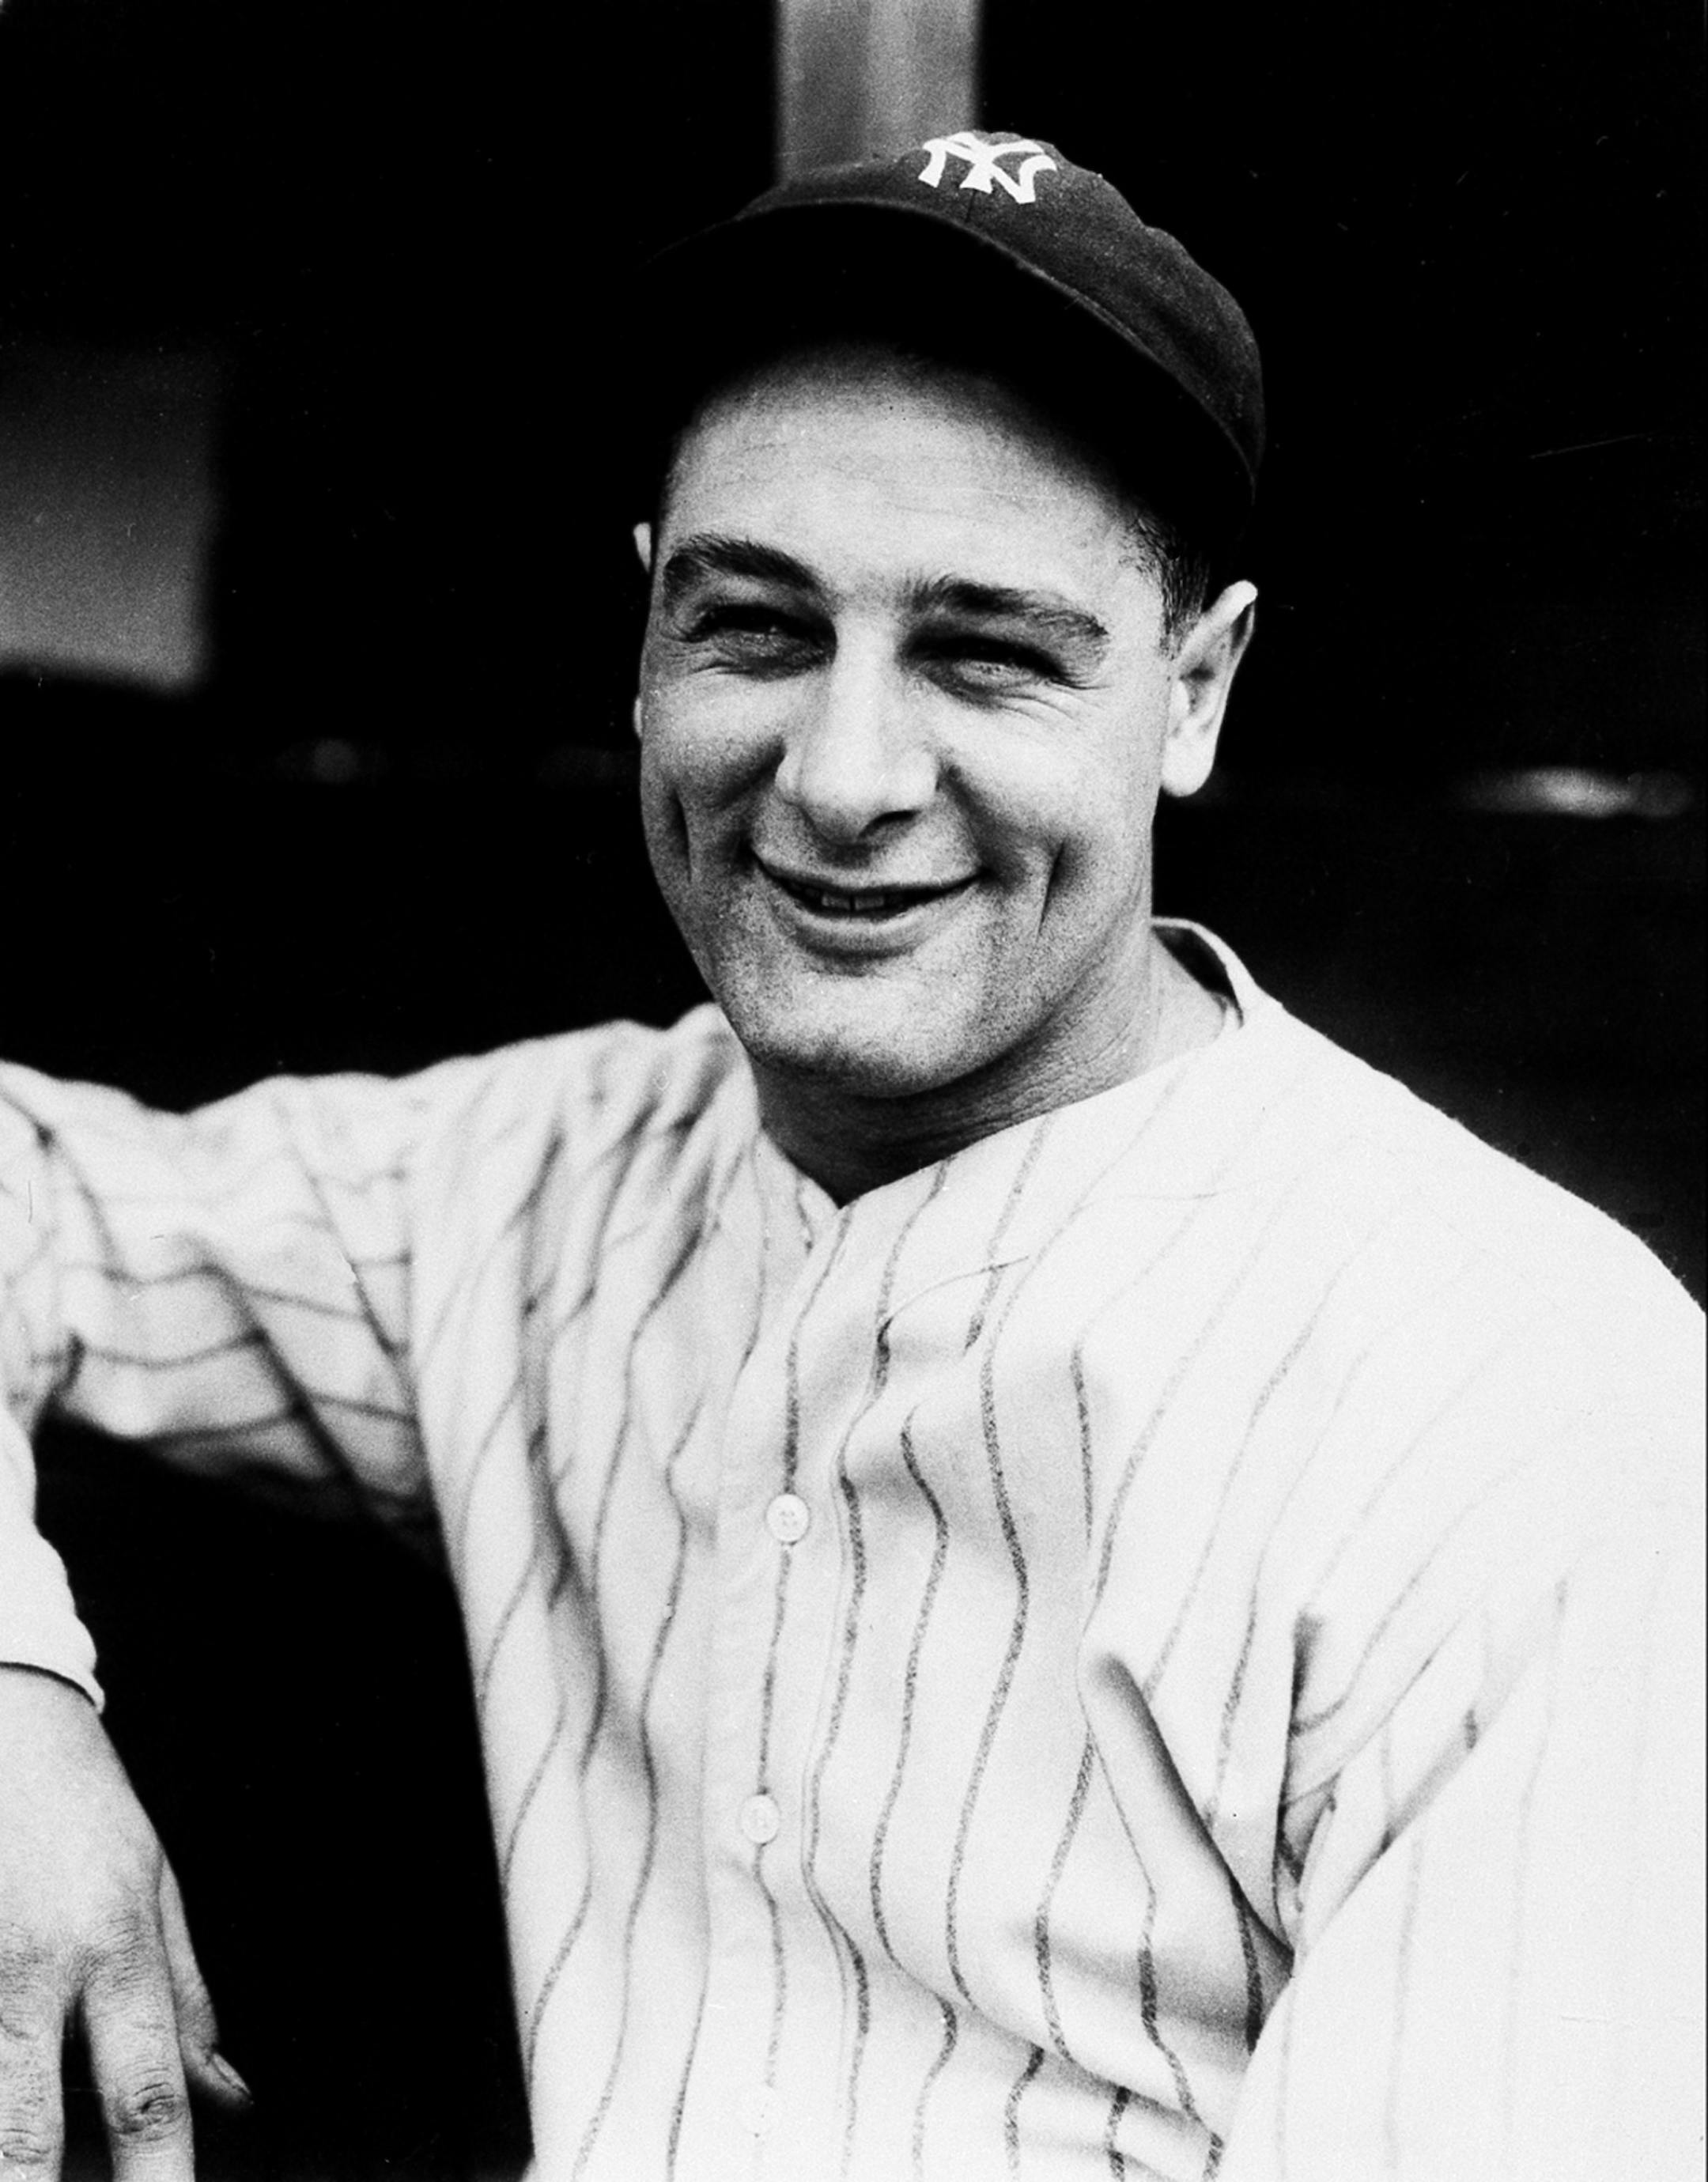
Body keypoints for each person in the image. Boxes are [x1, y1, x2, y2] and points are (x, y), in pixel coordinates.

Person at [1, 130, 1701, 2182]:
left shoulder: (1533, 1404)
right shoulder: (537, 1183)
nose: (846, 774)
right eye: (758, 628)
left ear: (1196, 688)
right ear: (645, 639)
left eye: (986, 652)